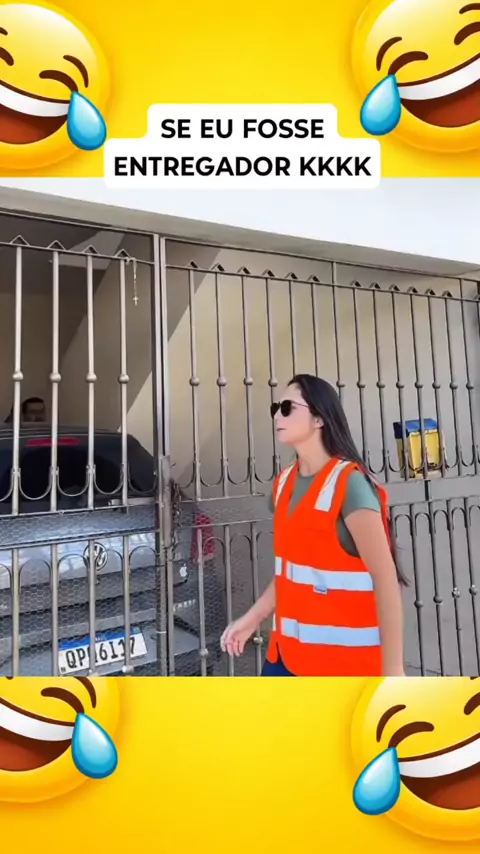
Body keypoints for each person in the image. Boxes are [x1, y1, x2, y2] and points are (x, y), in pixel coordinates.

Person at [221, 374, 407, 677]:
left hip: (342, 668)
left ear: (319, 418)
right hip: (285, 657)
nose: (278, 416)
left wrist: (393, 670)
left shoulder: (349, 485)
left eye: (287, 408)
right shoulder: (283, 484)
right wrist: (252, 619)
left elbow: (385, 579)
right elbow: (290, 573)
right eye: (275, 409)